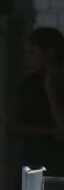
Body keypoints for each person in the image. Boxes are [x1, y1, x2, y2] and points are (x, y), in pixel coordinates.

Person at [10, 27, 64, 175]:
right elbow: (12, 126)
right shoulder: (29, 84)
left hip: (58, 165)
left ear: (50, 53)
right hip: (32, 163)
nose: (28, 58)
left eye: (32, 52)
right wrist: (48, 131)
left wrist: (50, 88)